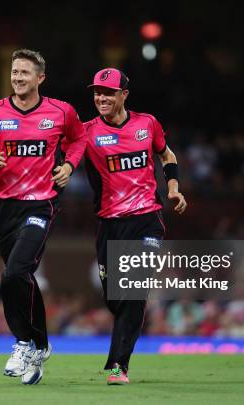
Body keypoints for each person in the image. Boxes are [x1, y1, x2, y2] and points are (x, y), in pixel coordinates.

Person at [0, 49, 86, 385]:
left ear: (40, 78)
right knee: (22, 279)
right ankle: (42, 344)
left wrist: (68, 165)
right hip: (6, 206)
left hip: (41, 204)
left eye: (24, 73)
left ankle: (22, 342)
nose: (17, 77)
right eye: (14, 72)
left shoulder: (61, 112)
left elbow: (79, 139)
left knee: (13, 273)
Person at [83, 68, 187, 385]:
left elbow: (166, 154)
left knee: (134, 289)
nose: (101, 98)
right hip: (109, 224)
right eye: (98, 92)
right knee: (116, 299)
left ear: (124, 95)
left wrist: (172, 187)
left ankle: (119, 367)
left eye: (109, 92)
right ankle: (119, 354)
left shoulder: (147, 124)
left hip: (146, 220)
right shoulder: (86, 132)